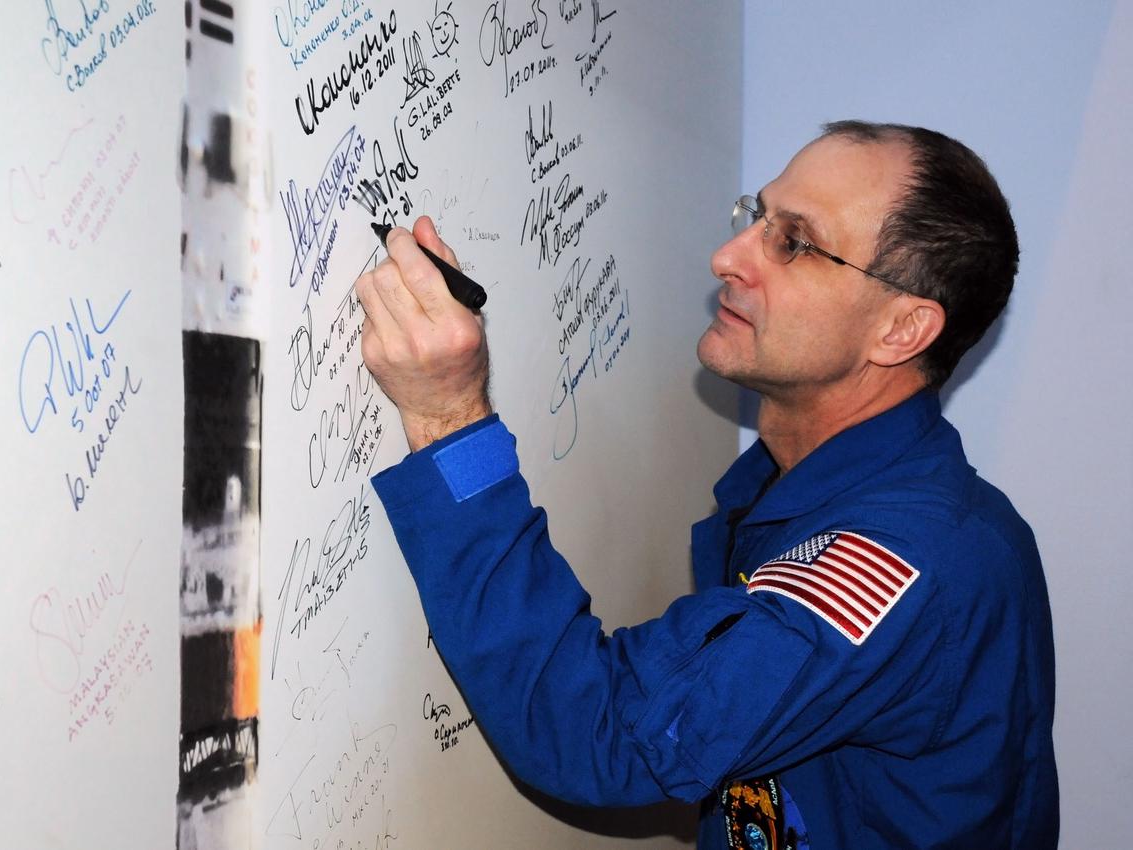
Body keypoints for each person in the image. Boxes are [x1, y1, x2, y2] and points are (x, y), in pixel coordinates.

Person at [354, 121, 1059, 849]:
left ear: (901, 330)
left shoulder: (907, 561)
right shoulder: (792, 489)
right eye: (757, 216)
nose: (728, 257)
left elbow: (598, 730)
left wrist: (448, 417)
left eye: (794, 242)